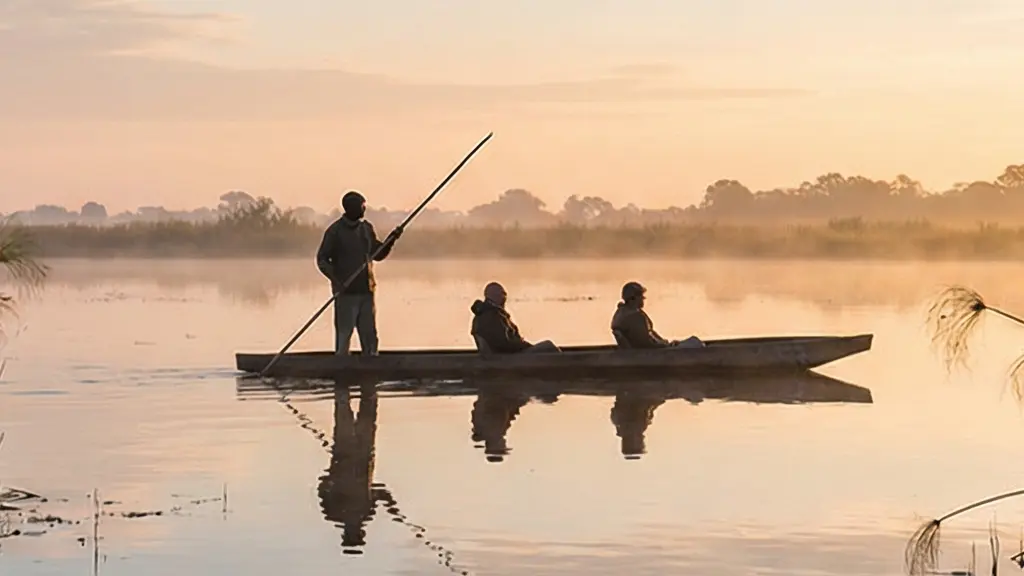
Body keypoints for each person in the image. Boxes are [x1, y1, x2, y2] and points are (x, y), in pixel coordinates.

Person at [316, 190, 401, 355]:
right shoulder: (335, 231)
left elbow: (378, 254)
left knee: (370, 336)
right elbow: (322, 260)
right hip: (346, 293)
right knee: (344, 335)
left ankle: (370, 367)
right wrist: (336, 280)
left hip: (366, 292)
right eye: (362, 206)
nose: (364, 210)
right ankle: (342, 367)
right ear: (351, 209)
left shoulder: (366, 228)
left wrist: (391, 240)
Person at [470, 282, 559, 354]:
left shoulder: (487, 314)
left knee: (545, 347)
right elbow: (504, 344)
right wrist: (526, 346)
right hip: (509, 358)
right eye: (503, 294)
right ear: (495, 295)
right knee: (548, 345)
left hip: (508, 355)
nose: (505, 297)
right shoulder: (491, 316)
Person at [610, 281, 704, 349]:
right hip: (649, 354)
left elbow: (649, 337)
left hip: (649, 350)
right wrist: (666, 345)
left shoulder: (621, 313)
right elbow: (647, 344)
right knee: (695, 342)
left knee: (692, 341)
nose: (643, 299)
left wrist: (665, 342)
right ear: (633, 298)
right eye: (641, 296)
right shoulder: (635, 317)